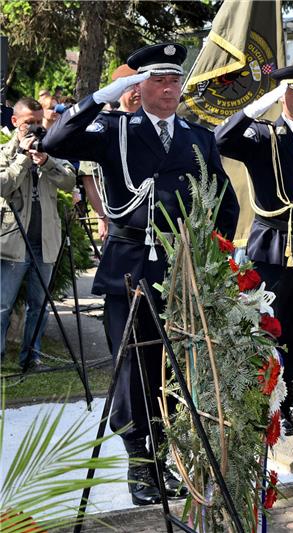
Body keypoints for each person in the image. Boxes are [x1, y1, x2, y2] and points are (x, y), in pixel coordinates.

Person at [42, 42, 239, 506]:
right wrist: (100, 98)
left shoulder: (197, 136)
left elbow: (224, 201)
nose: (169, 89)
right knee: (133, 367)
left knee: (175, 366)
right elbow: (54, 143)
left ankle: (169, 456)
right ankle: (139, 462)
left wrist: (219, 255)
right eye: (159, 80)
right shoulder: (115, 129)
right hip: (130, 268)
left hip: (183, 271)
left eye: (175, 81)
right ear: (139, 86)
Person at [215, 64, 293, 437]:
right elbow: (221, 140)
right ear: (282, 95)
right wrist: (257, 105)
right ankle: (261, 402)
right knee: (268, 326)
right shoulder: (261, 135)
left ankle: (292, 400)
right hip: (273, 245)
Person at [1, 97, 76, 369]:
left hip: (46, 241)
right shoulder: (4, 153)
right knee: (2, 305)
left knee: (39, 305)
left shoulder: (50, 149)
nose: (33, 128)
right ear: (14, 122)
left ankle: (31, 357)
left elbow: (69, 181)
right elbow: (2, 185)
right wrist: (22, 158)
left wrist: (45, 161)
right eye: (27, 123)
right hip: (12, 243)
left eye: (37, 122)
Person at [80, 64, 142, 244]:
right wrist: (102, 216)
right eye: (131, 86)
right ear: (119, 90)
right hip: (118, 219)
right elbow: (91, 177)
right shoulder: (104, 126)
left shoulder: (155, 125)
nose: (137, 91)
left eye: (141, 85)